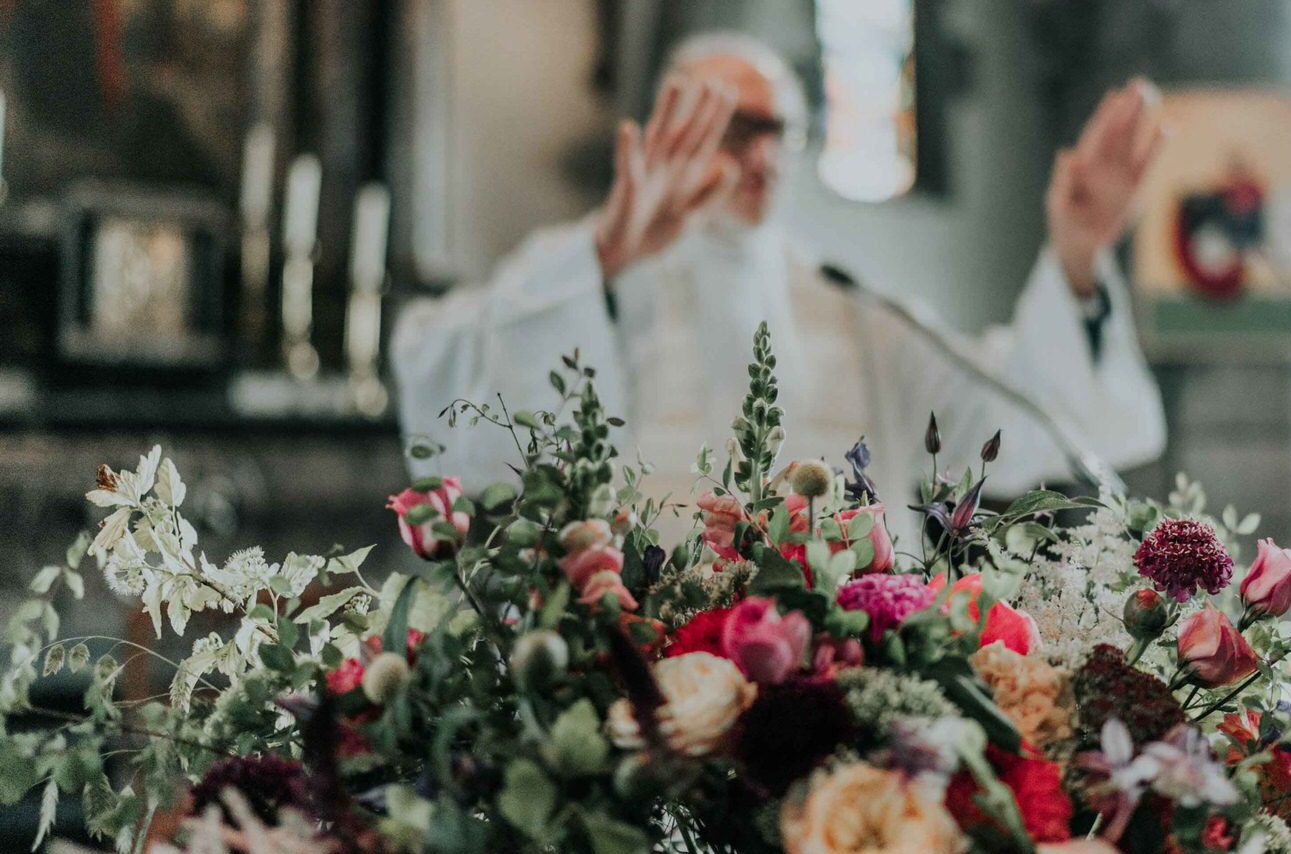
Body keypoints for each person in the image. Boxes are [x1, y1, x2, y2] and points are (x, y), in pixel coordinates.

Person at [391, 32, 1166, 539]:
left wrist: (1075, 255)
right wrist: (608, 255)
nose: (760, 158)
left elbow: (1009, 418)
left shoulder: (849, 299)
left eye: (778, 133)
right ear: (669, 126)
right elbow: (455, 389)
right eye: (734, 129)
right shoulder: (579, 269)